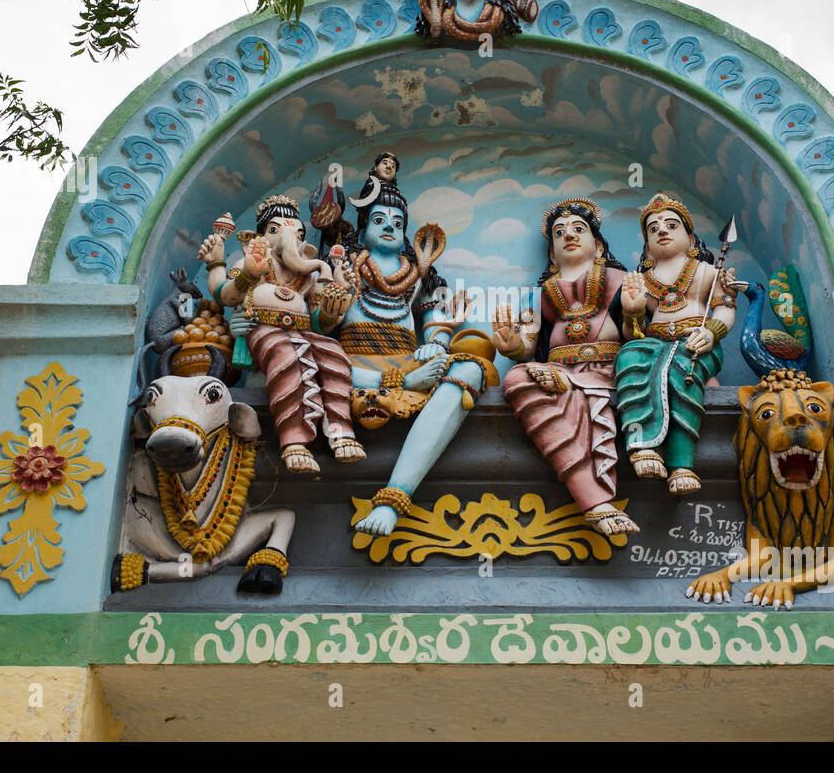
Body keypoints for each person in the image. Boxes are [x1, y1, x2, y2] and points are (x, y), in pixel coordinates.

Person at [338, 164, 496, 535]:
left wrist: (437, 344)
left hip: (413, 366)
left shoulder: (416, 273)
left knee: (470, 369)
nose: (391, 226)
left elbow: (435, 318)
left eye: (398, 221)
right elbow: (322, 327)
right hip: (355, 368)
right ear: (361, 229)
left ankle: (394, 497)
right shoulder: (346, 266)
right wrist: (398, 379)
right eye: (379, 219)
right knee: (314, 355)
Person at [493, 197, 638, 535]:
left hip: (608, 372)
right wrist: (511, 344)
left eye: (578, 229)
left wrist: (632, 311)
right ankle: (596, 502)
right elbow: (528, 345)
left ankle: (593, 500)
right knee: (515, 378)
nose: (569, 236)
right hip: (558, 373)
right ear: (551, 253)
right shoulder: (540, 294)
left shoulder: (619, 280)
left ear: (598, 246)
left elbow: (635, 337)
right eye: (559, 233)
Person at [198, 195, 364, 473]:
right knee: (283, 353)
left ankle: (341, 430)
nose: (289, 239)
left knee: (335, 355)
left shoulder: (307, 277)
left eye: (297, 234)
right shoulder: (253, 263)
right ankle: (294, 440)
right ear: (260, 236)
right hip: (264, 331)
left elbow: (319, 324)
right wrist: (247, 273)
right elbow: (224, 294)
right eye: (275, 230)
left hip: (302, 332)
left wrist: (332, 311)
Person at [616, 193, 740, 495]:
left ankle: (682, 465)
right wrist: (632, 311)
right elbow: (634, 334)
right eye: (653, 228)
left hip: (695, 342)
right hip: (654, 343)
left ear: (692, 238)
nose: (662, 230)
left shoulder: (708, 272)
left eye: (671, 225)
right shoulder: (642, 281)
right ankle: (642, 445)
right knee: (629, 356)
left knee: (680, 367)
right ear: (647, 246)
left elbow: (725, 309)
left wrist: (710, 332)